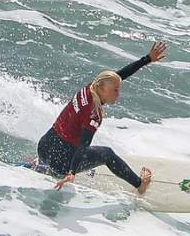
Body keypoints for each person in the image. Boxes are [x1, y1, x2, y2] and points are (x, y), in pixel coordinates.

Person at [37, 42, 167, 192]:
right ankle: (140, 184)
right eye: (115, 91)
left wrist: (147, 59)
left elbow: (119, 76)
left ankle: (43, 167)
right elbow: (83, 146)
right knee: (107, 154)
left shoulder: (90, 88)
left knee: (73, 143)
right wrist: (71, 172)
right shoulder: (94, 114)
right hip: (62, 161)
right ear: (102, 88)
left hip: (45, 146)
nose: (118, 95)